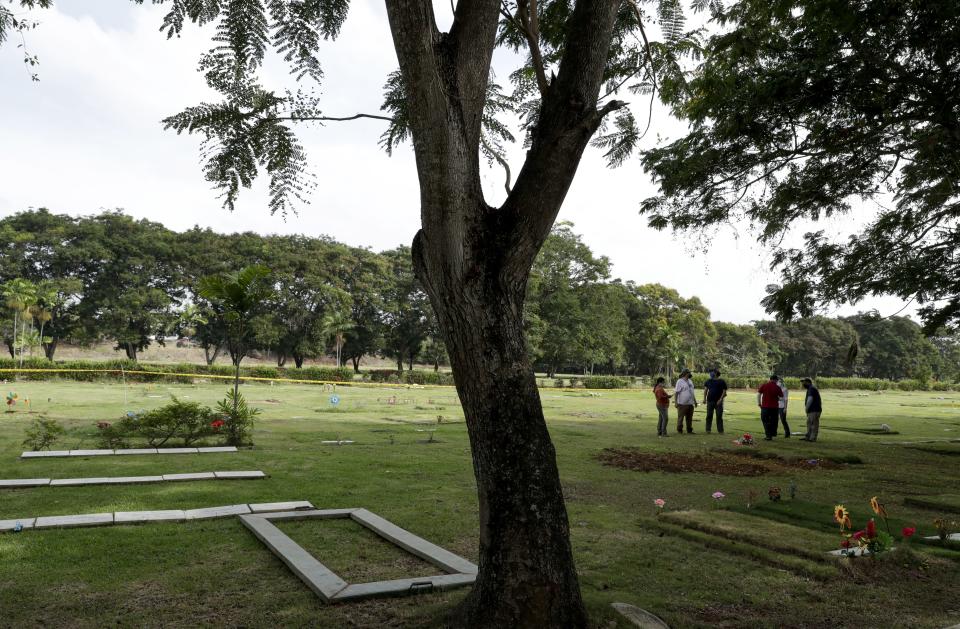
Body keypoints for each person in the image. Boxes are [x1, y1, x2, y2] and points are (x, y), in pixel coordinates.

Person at [757, 374, 784, 440]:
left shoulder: (764, 385)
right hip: (774, 408)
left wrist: (759, 403)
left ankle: (768, 435)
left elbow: (759, 394)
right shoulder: (777, 387)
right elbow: (781, 397)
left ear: (770, 379)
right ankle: (773, 433)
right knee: (774, 421)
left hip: (765, 407)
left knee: (765, 421)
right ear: (776, 380)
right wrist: (777, 398)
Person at [702, 369, 728, 434]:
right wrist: (704, 399)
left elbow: (724, 391)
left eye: (712, 372)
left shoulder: (721, 381)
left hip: (718, 401)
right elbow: (705, 390)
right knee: (709, 415)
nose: (711, 373)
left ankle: (720, 430)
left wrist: (720, 399)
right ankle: (708, 430)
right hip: (710, 401)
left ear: (716, 373)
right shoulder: (708, 381)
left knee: (719, 416)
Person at [674, 368, 697, 434]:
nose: (689, 374)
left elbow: (692, 392)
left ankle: (689, 430)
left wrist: (695, 401)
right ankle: (679, 430)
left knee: (689, 418)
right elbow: (676, 393)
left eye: (689, 372)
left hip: (690, 403)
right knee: (681, 418)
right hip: (682, 403)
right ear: (684, 373)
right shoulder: (679, 381)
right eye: (688, 372)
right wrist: (676, 402)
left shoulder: (690, 381)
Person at [800, 377, 822, 442]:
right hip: (812, 410)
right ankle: (808, 437)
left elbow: (810, 399)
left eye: (804, 382)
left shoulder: (811, 389)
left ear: (808, 382)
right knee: (809, 423)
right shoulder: (810, 388)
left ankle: (812, 438)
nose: (803, 384)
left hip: (814, 410)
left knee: (814, 424)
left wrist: (806, 408)